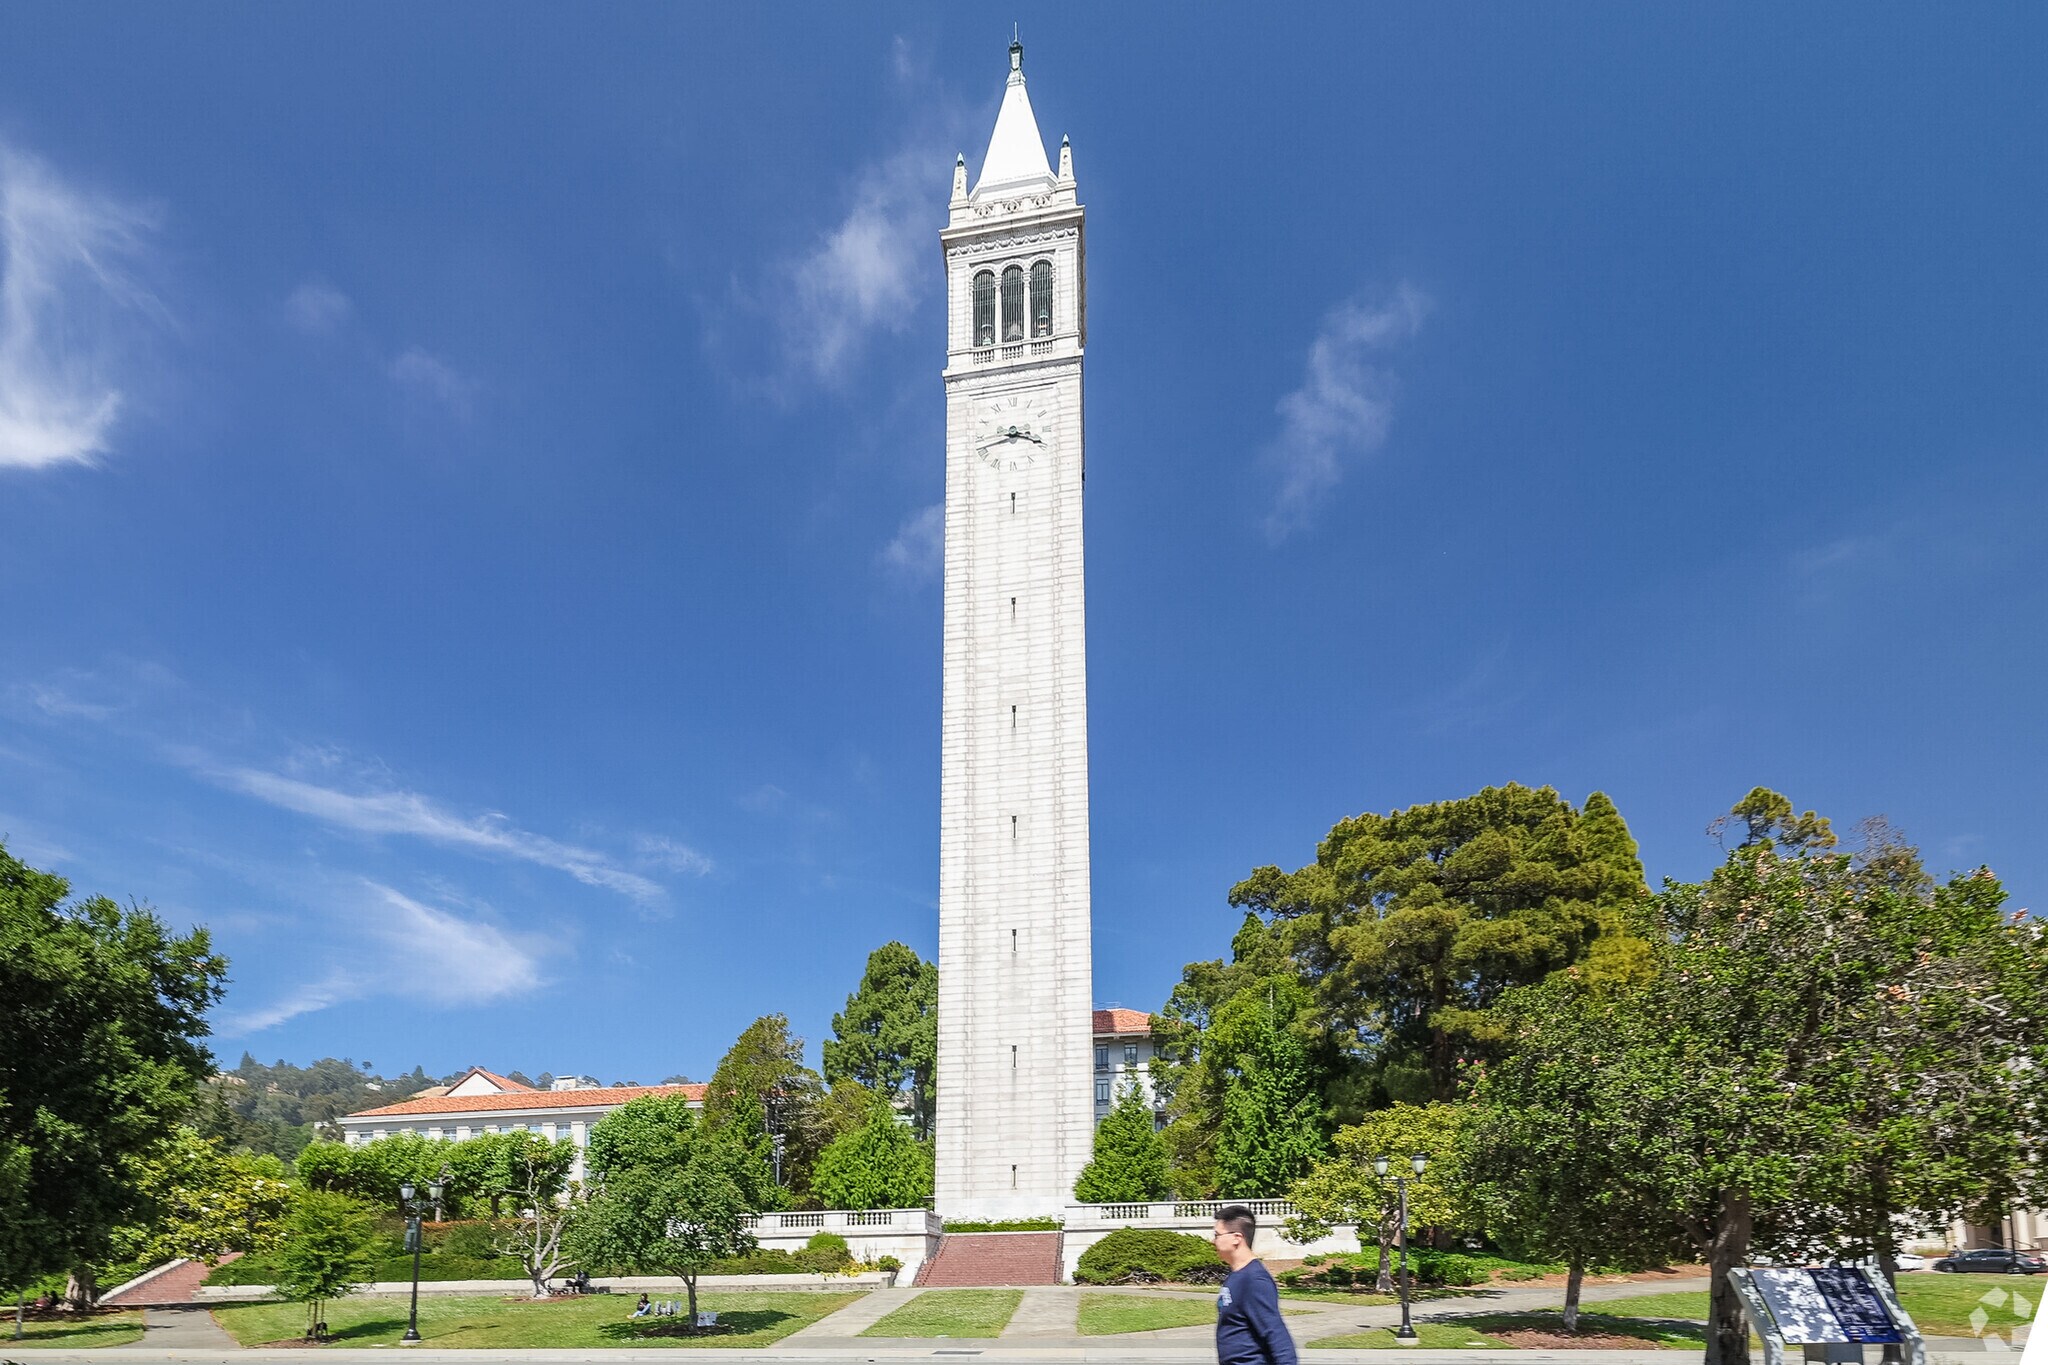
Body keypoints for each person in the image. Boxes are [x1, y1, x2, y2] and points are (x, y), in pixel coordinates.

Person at [1212, 1204, 1297, 1365]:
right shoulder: (1237, 1275)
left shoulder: (1254, 1280)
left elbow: (1275, 1333)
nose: (1213, 1241)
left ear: (1237, 1238)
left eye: (1217, 1235)